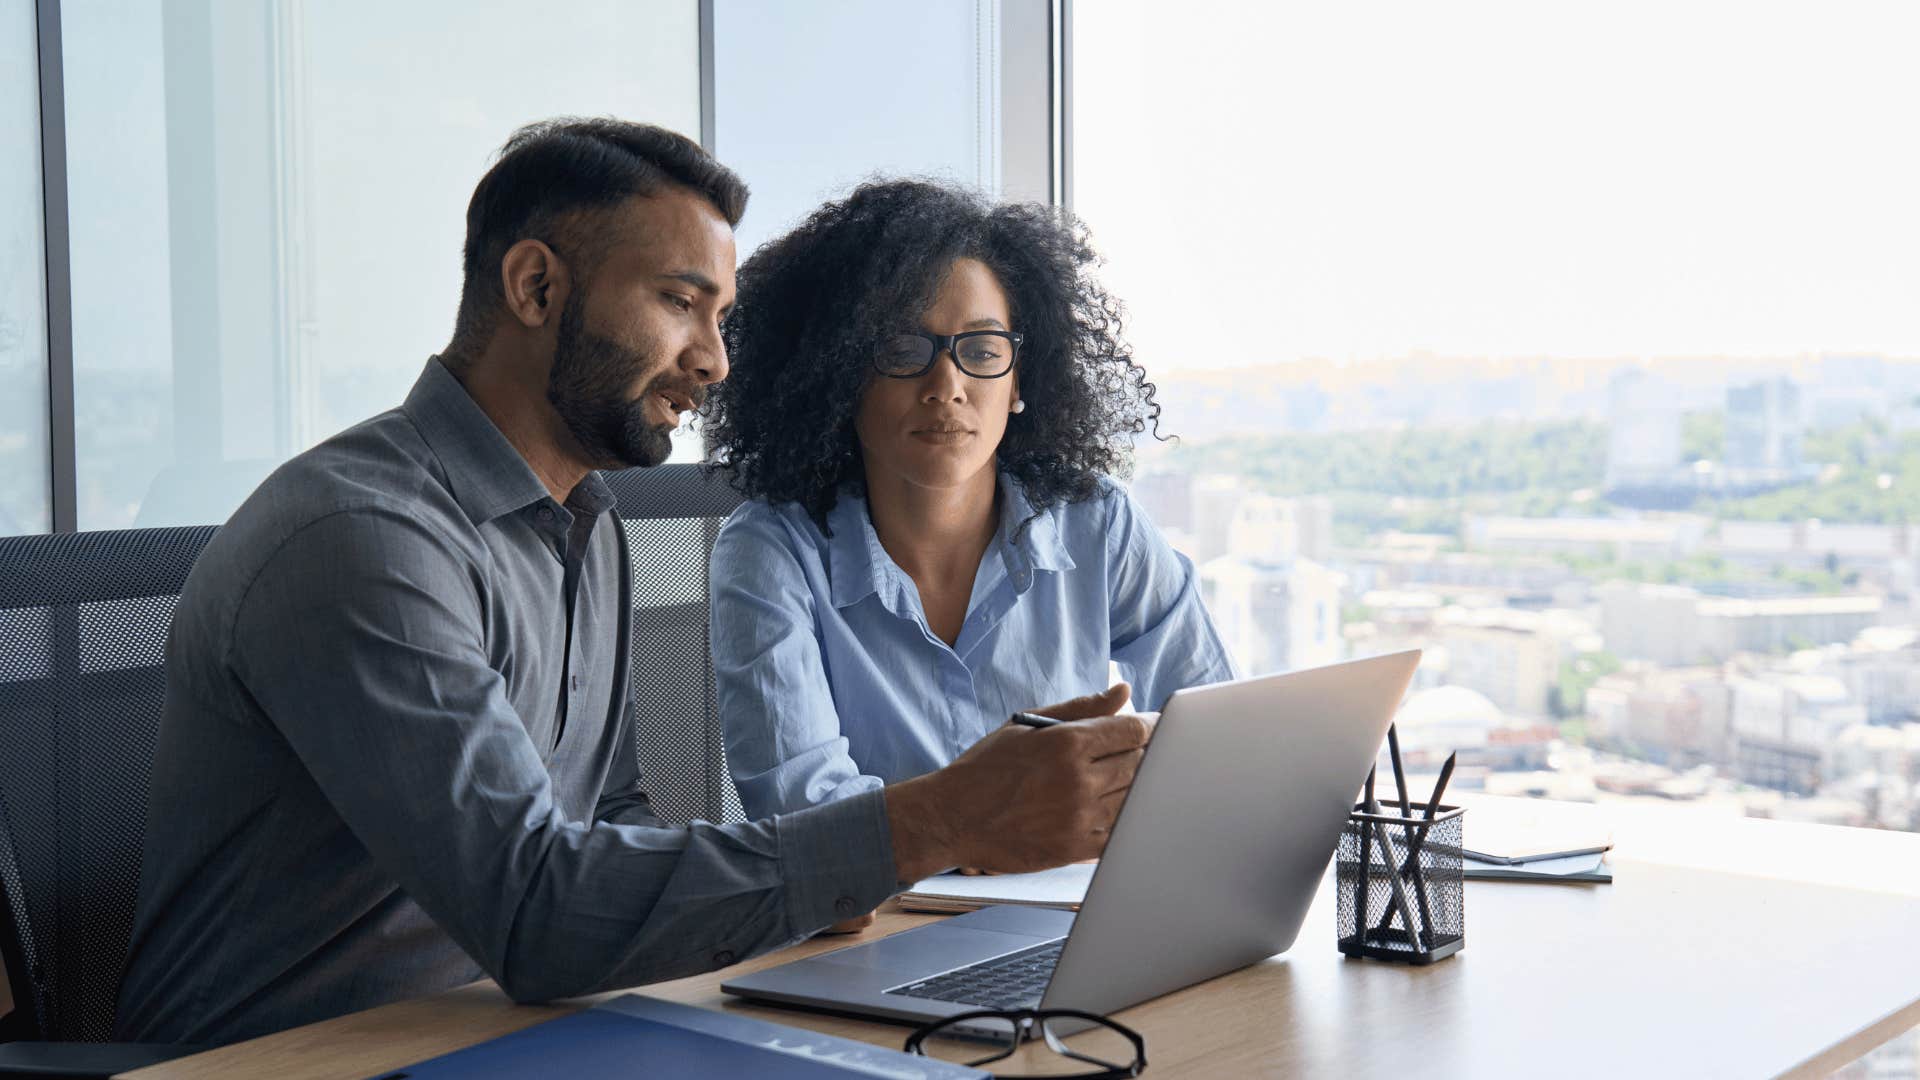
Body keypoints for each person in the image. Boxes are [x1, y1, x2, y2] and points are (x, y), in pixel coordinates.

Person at [113, 120, 1151, 1046]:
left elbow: (608, 818)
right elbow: (534, 912)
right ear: (535, 288)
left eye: (721, 315)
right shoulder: (363, 539)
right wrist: (929, 824)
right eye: (679, 304)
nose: (715, 361)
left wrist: (814, 877)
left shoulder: (587, 524)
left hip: (518, 1031)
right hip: (302, 1057)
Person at [702, 181, 1236, 884]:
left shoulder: (1096, 522)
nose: (946, 384)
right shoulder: (770, 554)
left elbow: (1215, 739)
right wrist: (982, 830)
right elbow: (812, 831)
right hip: (876, 941)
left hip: (1076, 916)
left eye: (981, 350)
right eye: (902, 348)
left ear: (1019, 380)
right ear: (838, 375)